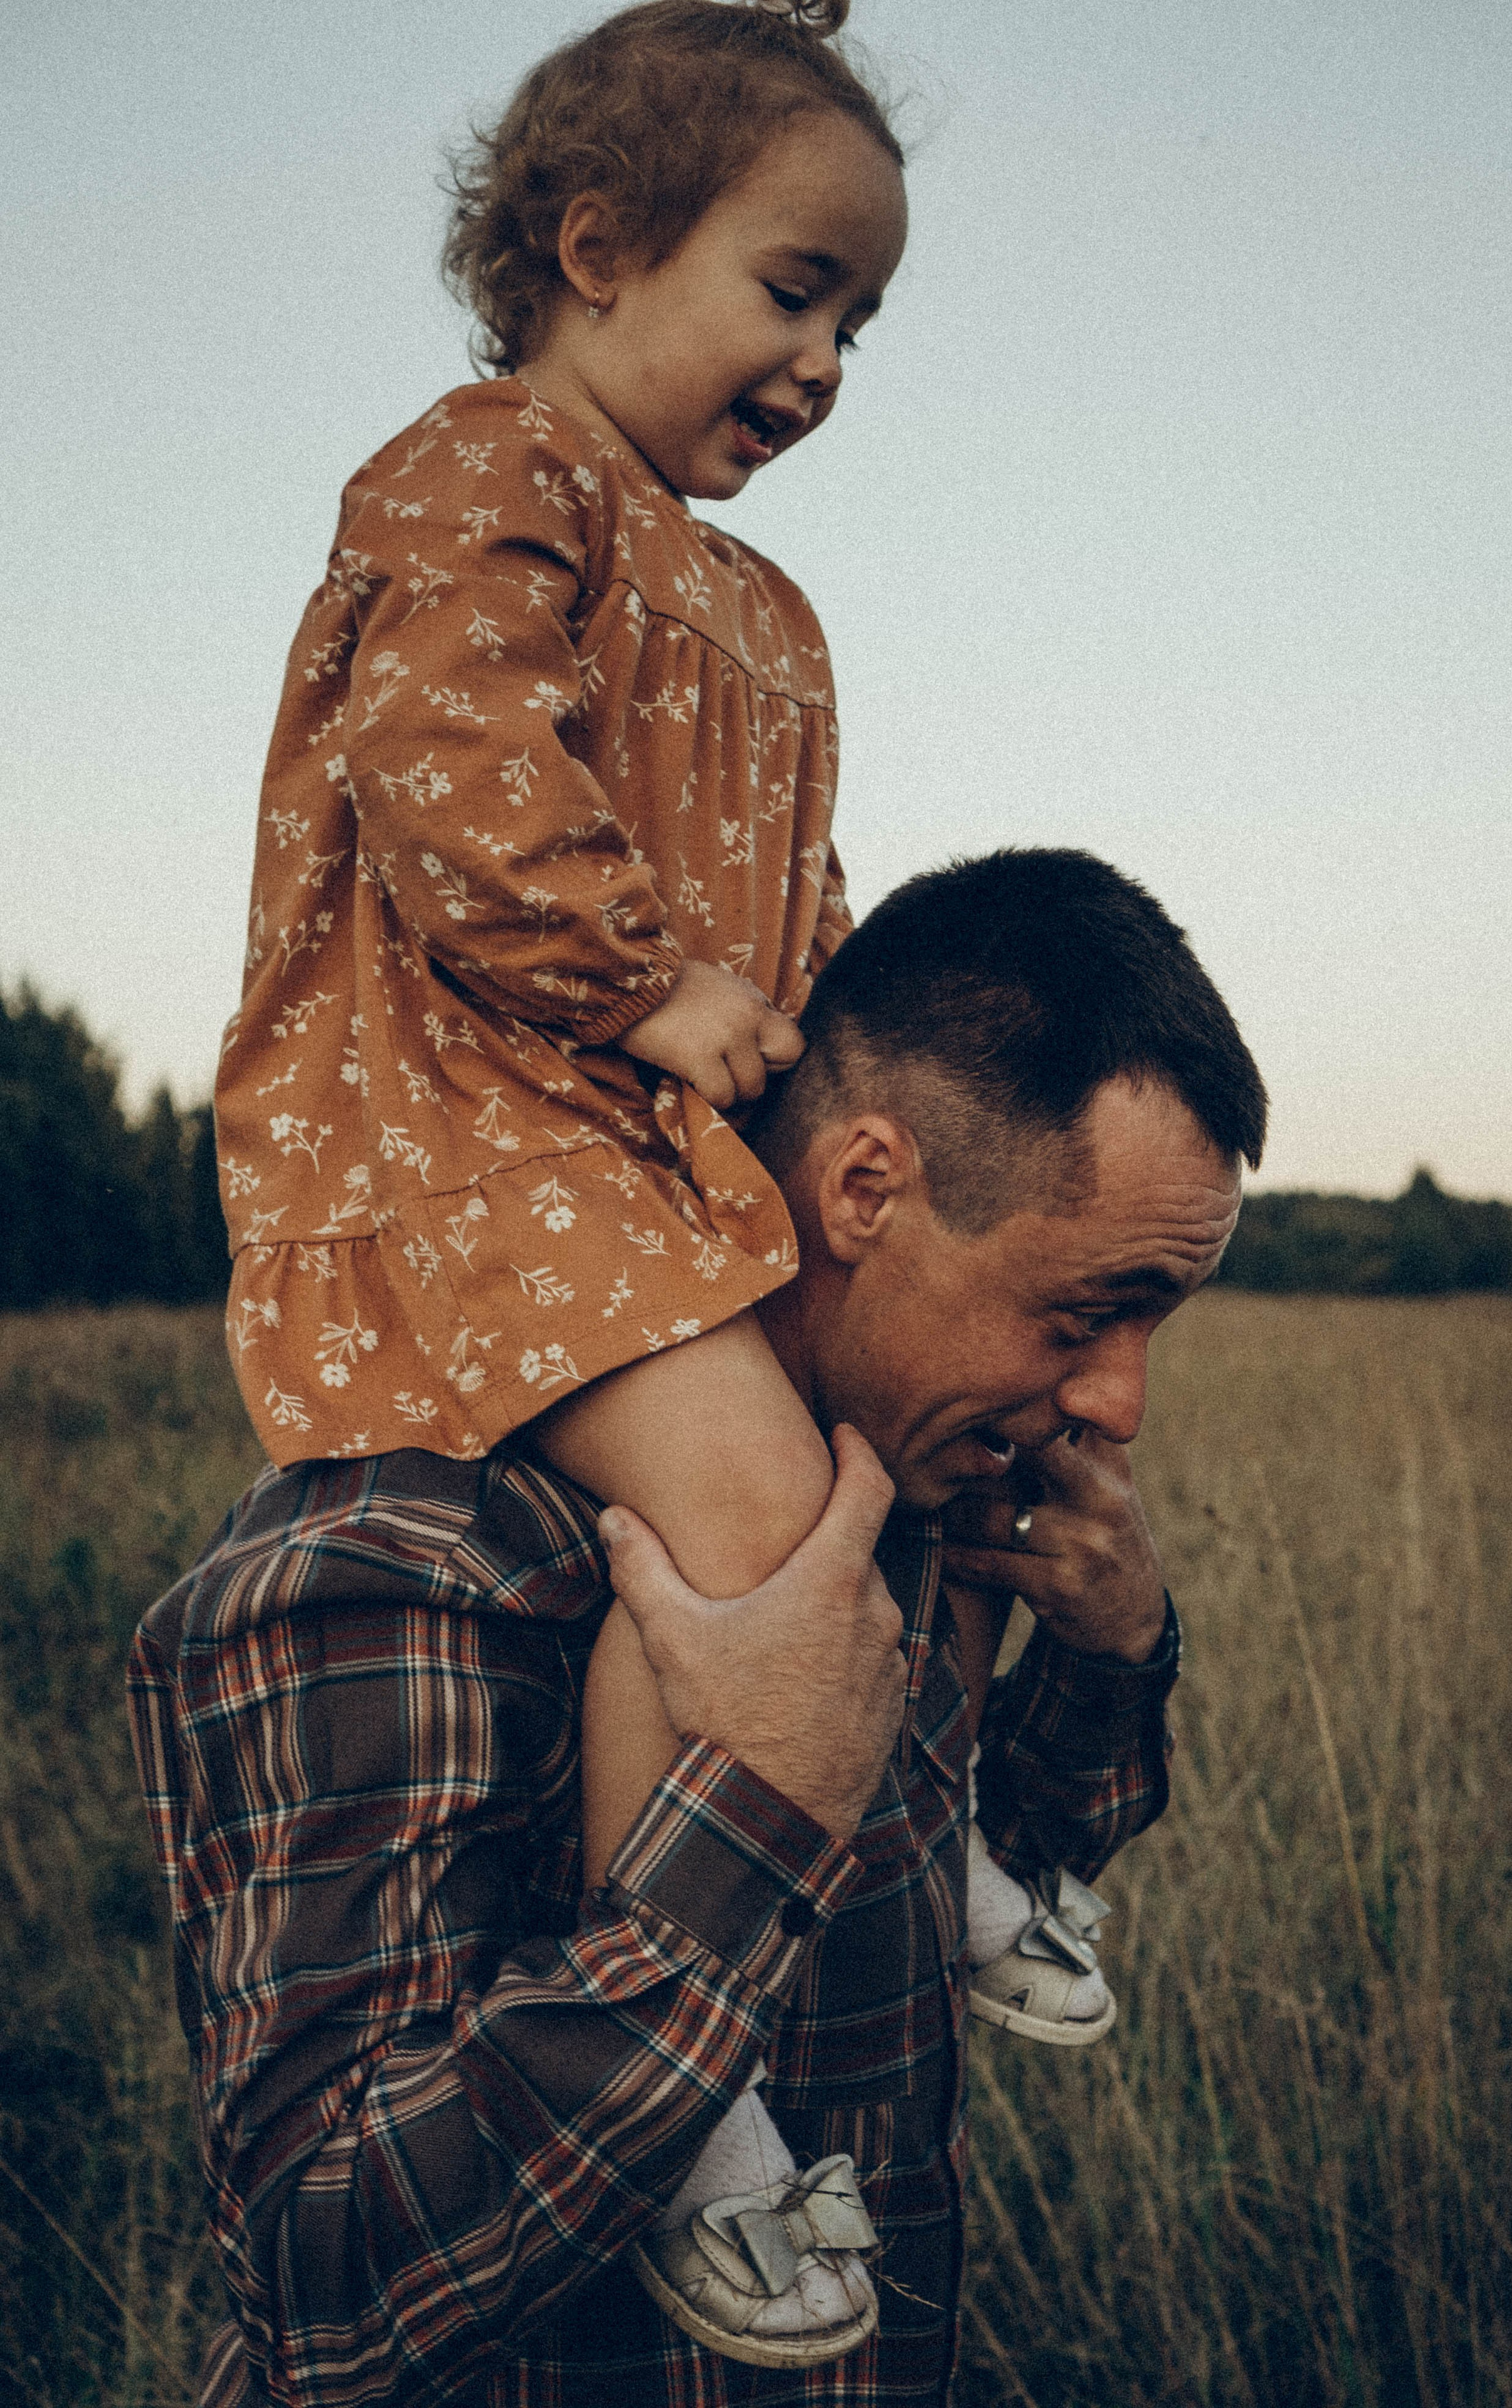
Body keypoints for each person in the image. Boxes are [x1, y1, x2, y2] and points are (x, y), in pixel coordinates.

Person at [209, 3, 1076, 2356]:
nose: (826, 362)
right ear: (600, 248)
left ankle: (930, 1809)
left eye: (860, 323)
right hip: (480, 1132)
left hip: (659, 1153)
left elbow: (794, 919)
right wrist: (642, 980)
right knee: (736, 1507)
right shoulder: (477, 468)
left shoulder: (769, 611)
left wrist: (793, 1045)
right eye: (798, 290)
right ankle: (689, 2117)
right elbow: (454, 759)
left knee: (919, 1429)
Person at [131, 847, 1268, 2405]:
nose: (1121, 1404)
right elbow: (323, 2293)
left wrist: (1115, 1648)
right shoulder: (399, 1560)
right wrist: (755, 1817)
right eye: (1080, 1314)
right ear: (864, 1189)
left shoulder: (927, 1492)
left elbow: (1007, 1885)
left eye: (1155, 1324)